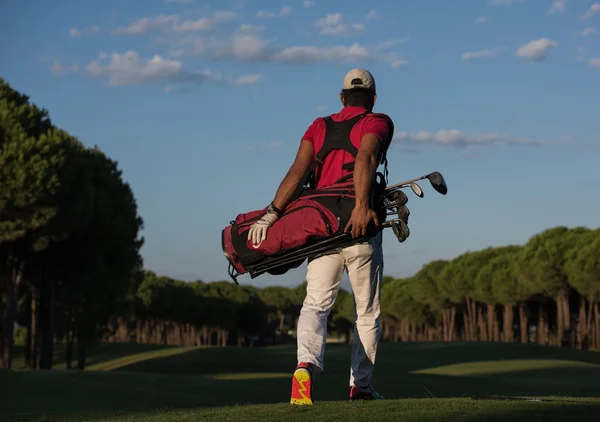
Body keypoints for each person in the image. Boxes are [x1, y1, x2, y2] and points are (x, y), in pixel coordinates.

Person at [247, 68, 394, 404]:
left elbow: (297, 173)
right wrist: (360, 206)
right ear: (372, 99)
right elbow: (367, 156)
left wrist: (272, 213)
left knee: (316, 305)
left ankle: (305, 366)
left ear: (341, 97)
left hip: (323, 230)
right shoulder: (378, 121)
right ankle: (361, 387)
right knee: (366, 312)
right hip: (360, 228)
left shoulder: (319, 126)